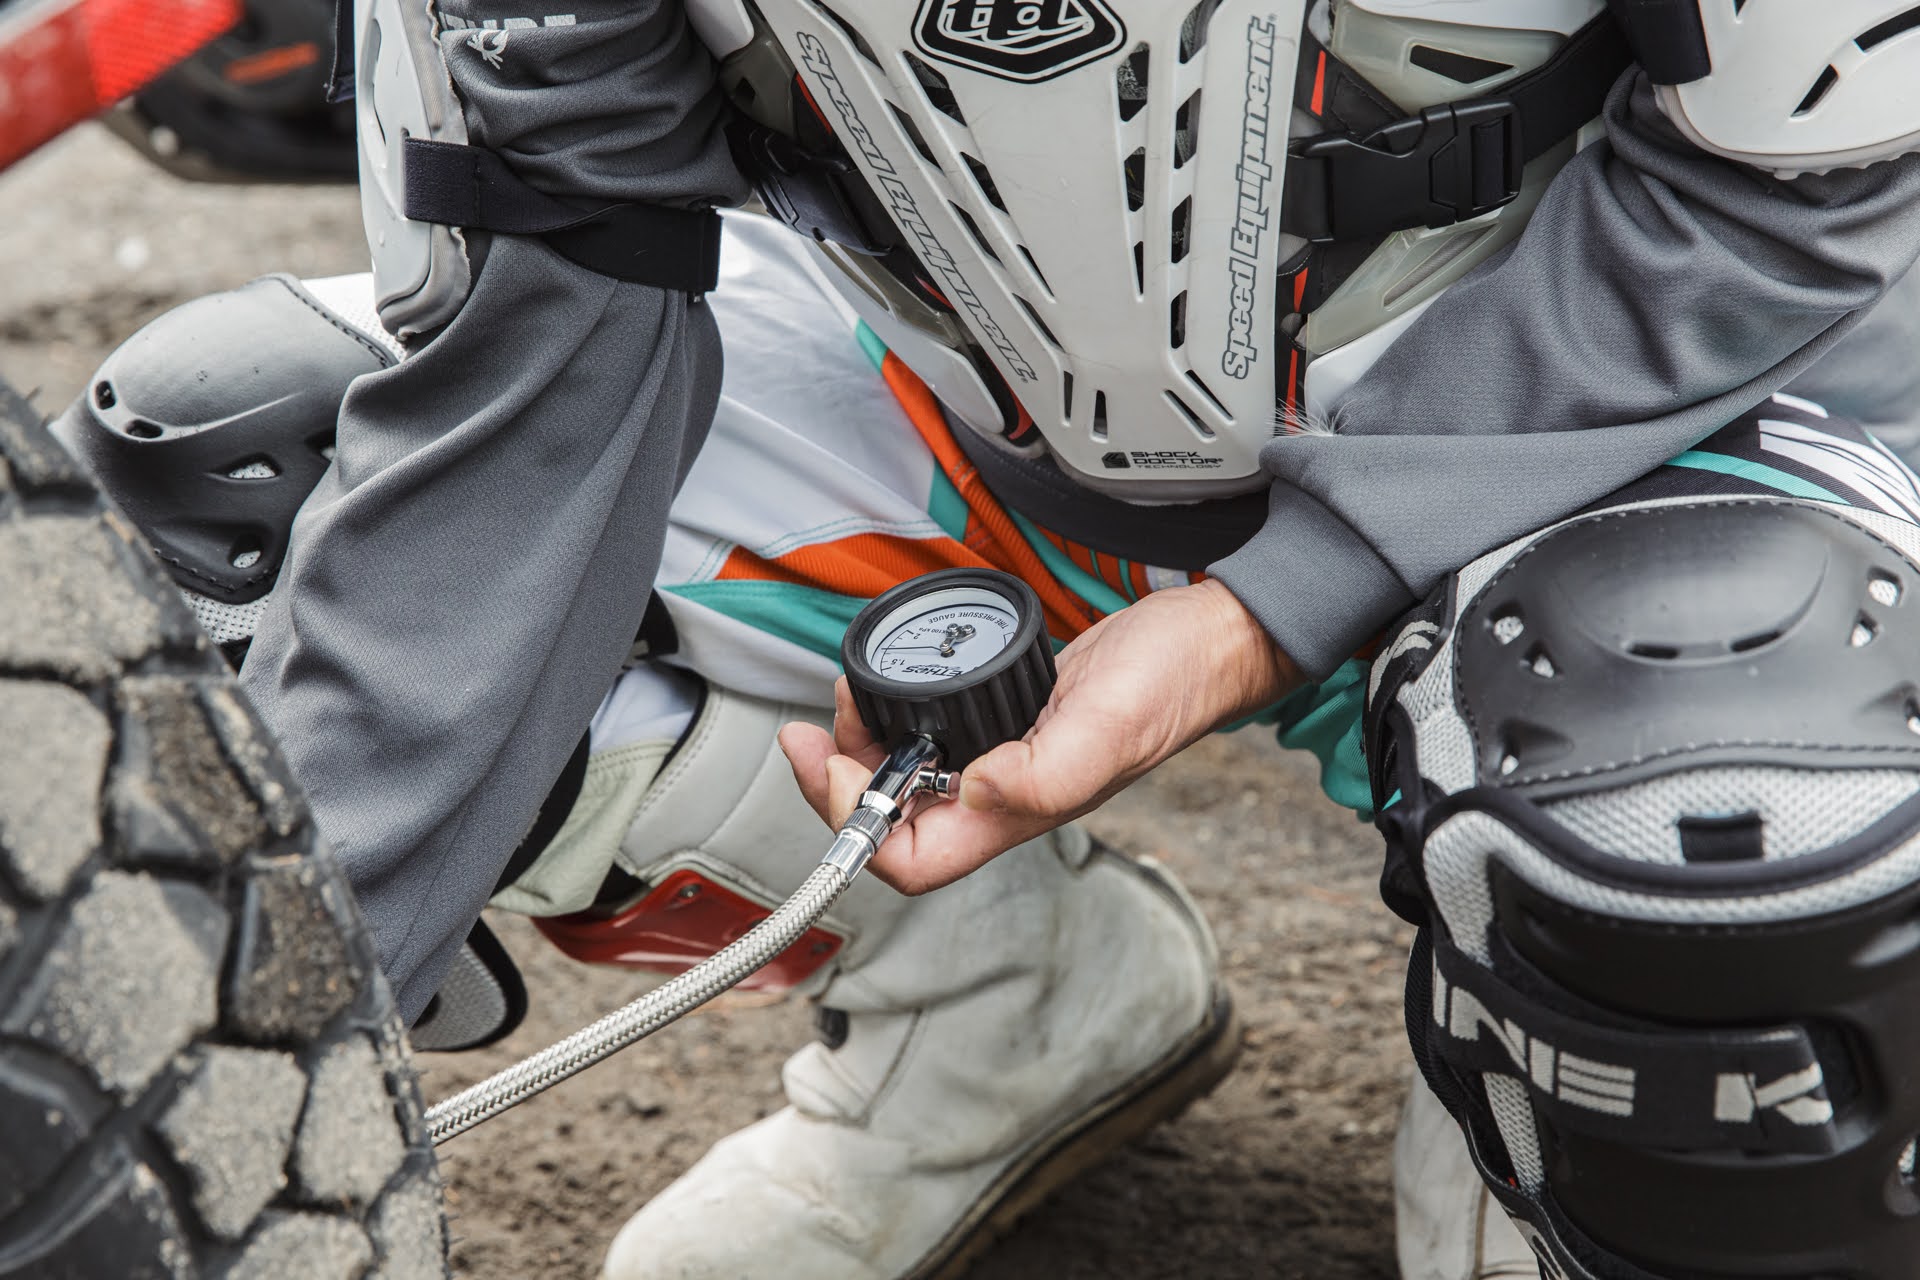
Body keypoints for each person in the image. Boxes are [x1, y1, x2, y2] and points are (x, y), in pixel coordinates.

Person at [53, 2, 1920, 1278]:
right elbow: (539, 345)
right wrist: (232, 1056)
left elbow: (1787, 190)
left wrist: (1266, 608)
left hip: (1633, 424)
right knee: (240, 542)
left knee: (1738, 789)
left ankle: (1549, 1060)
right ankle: (1005, 1007)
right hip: (974, 407)